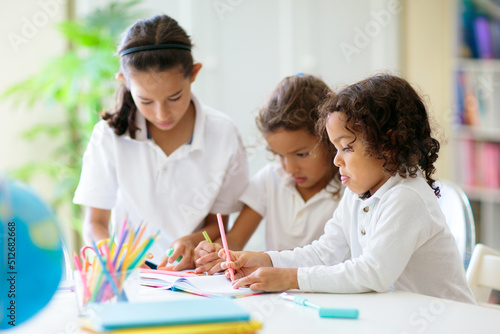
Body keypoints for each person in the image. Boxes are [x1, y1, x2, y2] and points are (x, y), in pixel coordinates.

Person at [218, 74, 475, 303]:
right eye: (336, 148)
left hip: (448, 323)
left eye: (347, 148)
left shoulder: (407, 197)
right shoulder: (359, 192)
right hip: (399, 317)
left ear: (388, 144)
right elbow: (325, 252)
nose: (336, 160)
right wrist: (265, 261)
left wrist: (289, 278)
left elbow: (372, 274)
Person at [73, 14, 248, 271]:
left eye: (175, 97)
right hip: (131, 278)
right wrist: (113, 256)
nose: (162, 114)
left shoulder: (223, 134)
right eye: (145, 101)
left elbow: (219, 225)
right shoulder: (108, 136)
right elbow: (94, 224)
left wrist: (192, 241)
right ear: (124, 82)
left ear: (194, 74)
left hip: (195, 278)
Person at [194, 74, 342, 274]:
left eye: (301, 154)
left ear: (330, 140)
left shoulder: (349, 187)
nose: (289, 168)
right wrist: (217, 251)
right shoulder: (270, 179)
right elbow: (236, 240)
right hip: (277, 296)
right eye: (278, 155)